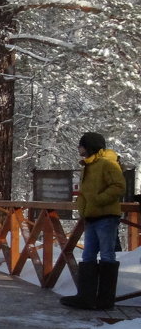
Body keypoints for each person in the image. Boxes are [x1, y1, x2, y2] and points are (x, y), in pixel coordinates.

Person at [60, 132, 125, 310]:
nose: (78, 148)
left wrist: (97, 200)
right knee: (88, 255)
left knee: (107, 255)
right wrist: (83, 206)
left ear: (89, 146)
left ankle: (105, 300)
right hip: (91, 217)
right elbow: (85, 192)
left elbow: (119, 186)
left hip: (106, 217)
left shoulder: (107, 163)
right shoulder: (88, 166)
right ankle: (86, 297)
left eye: (81, 145)